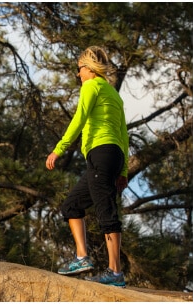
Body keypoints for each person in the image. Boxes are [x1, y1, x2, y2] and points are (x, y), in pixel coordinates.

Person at [45, 46, 129, 287]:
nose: (78, 74)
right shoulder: (114, 94)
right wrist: (122, 170)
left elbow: (79, 118)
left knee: (106, 209)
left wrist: (59, 148)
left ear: (89, 69)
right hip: (112, 156)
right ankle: (82, 258)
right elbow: (124, 133)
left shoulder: (91, 86)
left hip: (101, 153)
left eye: (80, 69)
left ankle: (115, 273)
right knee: (72, 205)